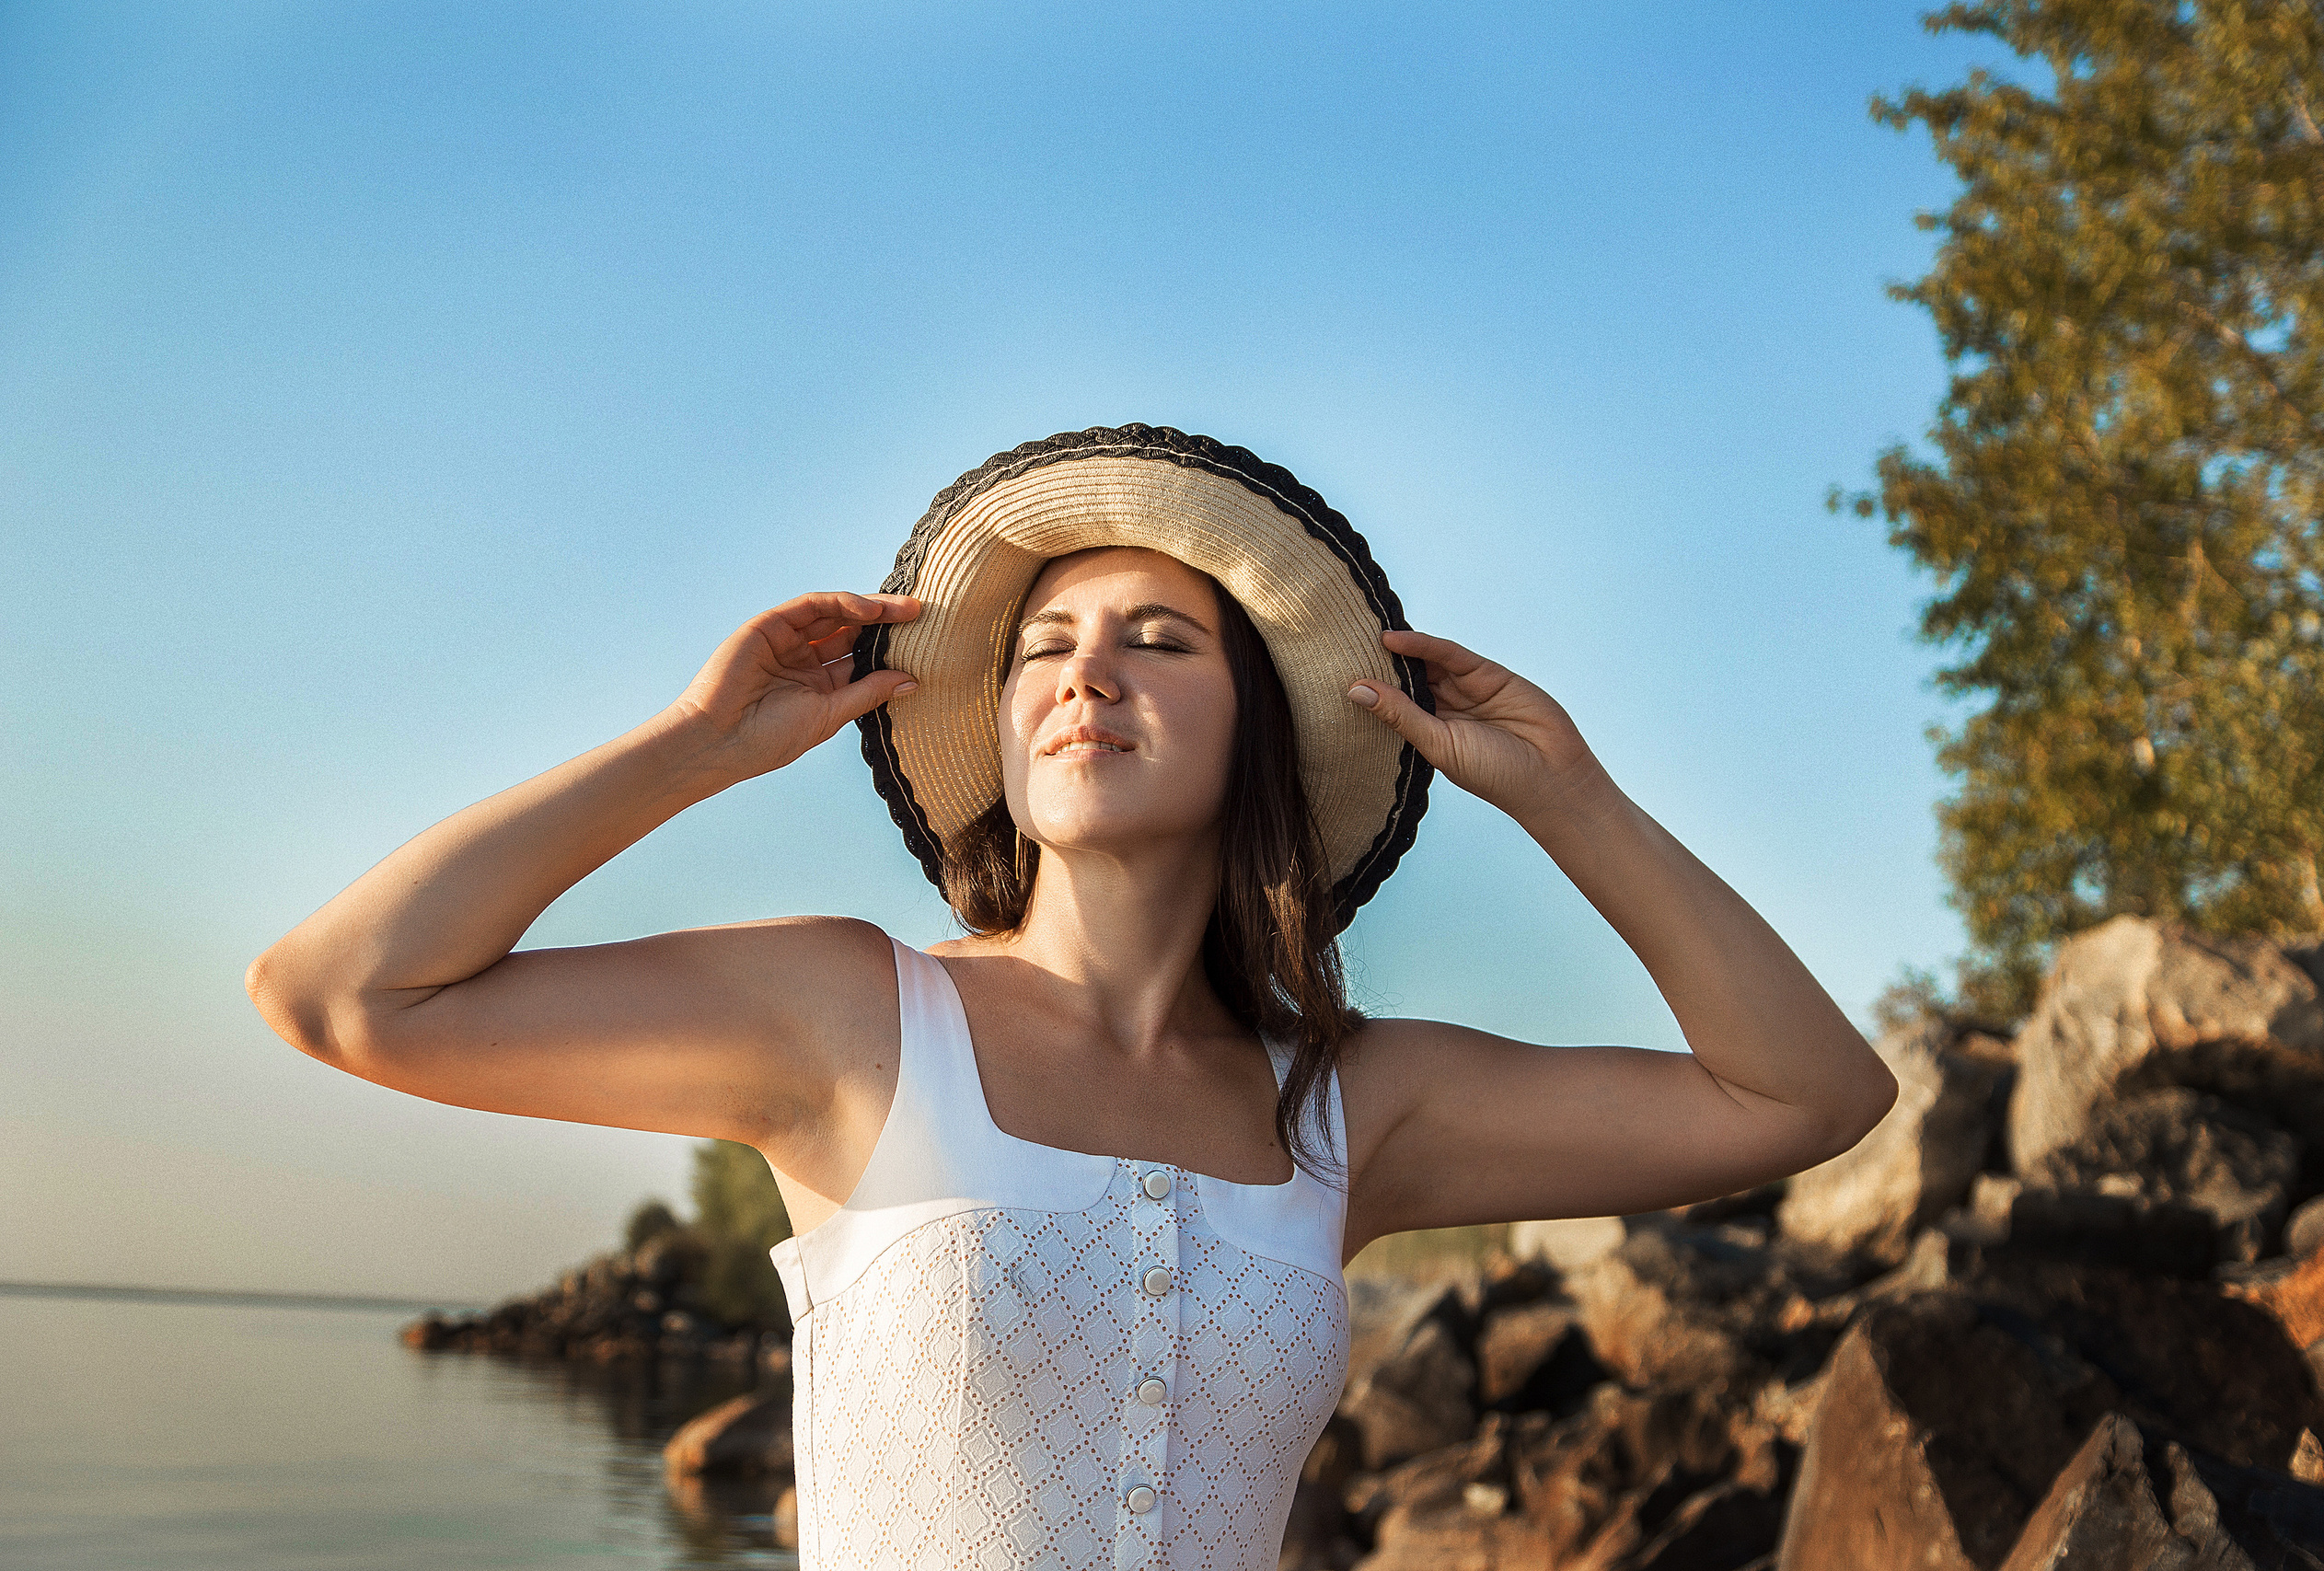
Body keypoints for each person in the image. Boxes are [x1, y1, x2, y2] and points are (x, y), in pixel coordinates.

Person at [248, 424, 1896, 1570]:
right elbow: (342, 994)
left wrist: (1573, 800)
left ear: (1257, 720)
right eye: (1044, 642)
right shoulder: (849, 1019)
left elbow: (1809, 1098)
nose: (1086, 672)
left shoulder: (1353, 1107)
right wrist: (697, 745)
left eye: (1159, 640)